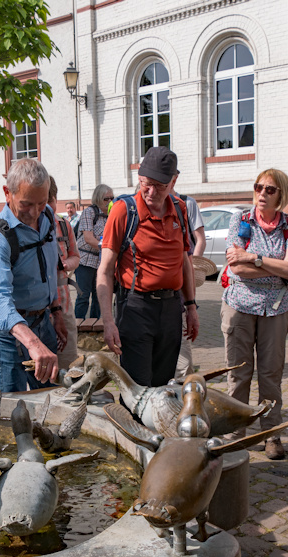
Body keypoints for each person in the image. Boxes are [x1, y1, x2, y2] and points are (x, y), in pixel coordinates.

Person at [96, 146, 199, 387]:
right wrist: (108, 321)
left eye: (160, 186)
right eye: (146, 184)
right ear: (139, 178)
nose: (151, 192)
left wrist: (191, 306)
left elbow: (184, 260)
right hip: (135, 308)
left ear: (173, 181)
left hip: (172, 309)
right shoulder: (124, 211)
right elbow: (105, 269)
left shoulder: (180, 209)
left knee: (164, 387)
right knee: (137, 388)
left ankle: (157, 426)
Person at [222, 169, 288, 460]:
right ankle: (235, 436)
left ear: (281, 194)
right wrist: (273, 265)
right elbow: (237, 268)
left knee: (271, 376)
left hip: (276, 310)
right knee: (238, 375)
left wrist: (254, 257)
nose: (262, 194)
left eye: (270, 189)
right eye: (259, 187)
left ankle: (271, 435)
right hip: (240, 307)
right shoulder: (240, 220)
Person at [0, 159, 64, 391]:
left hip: (42, 321)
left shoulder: (47, 218)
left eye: (42, 203)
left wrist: (56, 310)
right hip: (4, 331)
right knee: (9, 407)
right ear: (8, 193)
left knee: (50, 399)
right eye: (26, 204)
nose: (35, 213)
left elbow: (48, 268)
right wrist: (33, 343)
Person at [172, 171, 207, 380]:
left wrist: (194, 265)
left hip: (184, 279)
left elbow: (200, 239)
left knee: (183, 353)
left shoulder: (187, 204)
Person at [49, 177, 81, 369]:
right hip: (37, 310)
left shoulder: (63, 224)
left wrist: (66, 264)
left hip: (64, 304)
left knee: (68, 365)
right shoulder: (24, 226)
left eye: (50, 200)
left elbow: (76, 256)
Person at [75, 184, 113, 320]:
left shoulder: (111, 214)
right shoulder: (89, 212)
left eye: (111, 198)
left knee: (99, 297)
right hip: (85, 260)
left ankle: (95, 326)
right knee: (83, 296)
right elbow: (88, 238)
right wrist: (108, 249)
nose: (109, 201)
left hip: (101, 261)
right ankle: (79, 326)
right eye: (106, 199)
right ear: (98, 198)